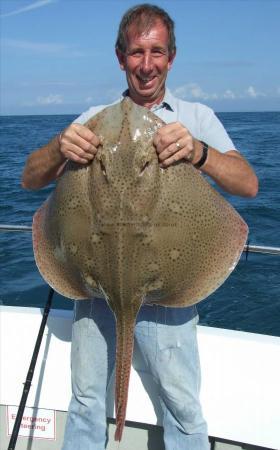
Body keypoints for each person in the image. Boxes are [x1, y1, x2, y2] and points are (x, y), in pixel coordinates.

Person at [22, 4, 258, 450]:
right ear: (120, 57)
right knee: (86, 400)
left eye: (156, 52)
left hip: (169, 288)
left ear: (171, 57)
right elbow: (30, 179)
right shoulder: (94, 116)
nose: (146, 65)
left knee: (181, 405)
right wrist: (59, 147)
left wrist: (198, 152)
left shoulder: (196, 116)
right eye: (136, 52)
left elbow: (248, 184)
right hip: (95, 289)